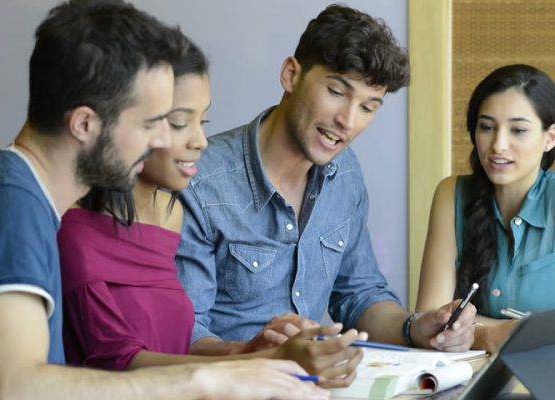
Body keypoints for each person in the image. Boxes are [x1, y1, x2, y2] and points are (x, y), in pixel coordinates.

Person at [0, 1, 329, 399]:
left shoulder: (27, 198)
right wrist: (206, 380)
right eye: (151, 124)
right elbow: (14, 388)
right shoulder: (12, 200)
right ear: (84, 124)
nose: (162, 142)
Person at [176, 4, 476, 360]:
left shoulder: (344, 173)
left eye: (368, 106)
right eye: (337, 91)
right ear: (291, 75)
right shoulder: (200, 183)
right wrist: (255, 354)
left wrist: (416, 327)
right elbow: (181, 334)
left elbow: (359, 294)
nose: (347, 121)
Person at [58, 34, 357, 390]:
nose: (200, 141)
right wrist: (265, 361)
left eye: (205, 122)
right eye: (181, 122)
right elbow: (121, 364)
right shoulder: (74, 235)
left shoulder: (168, 212)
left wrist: (253, 349)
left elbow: (177, 346)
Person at [416, 64, 555, 353]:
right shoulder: (451, 194)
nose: (498, 145)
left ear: (549, 138)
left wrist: (476, 330)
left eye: (518, 130)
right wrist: (498, 334)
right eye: (487, 127)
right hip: (473, 377)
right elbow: (430, 319)